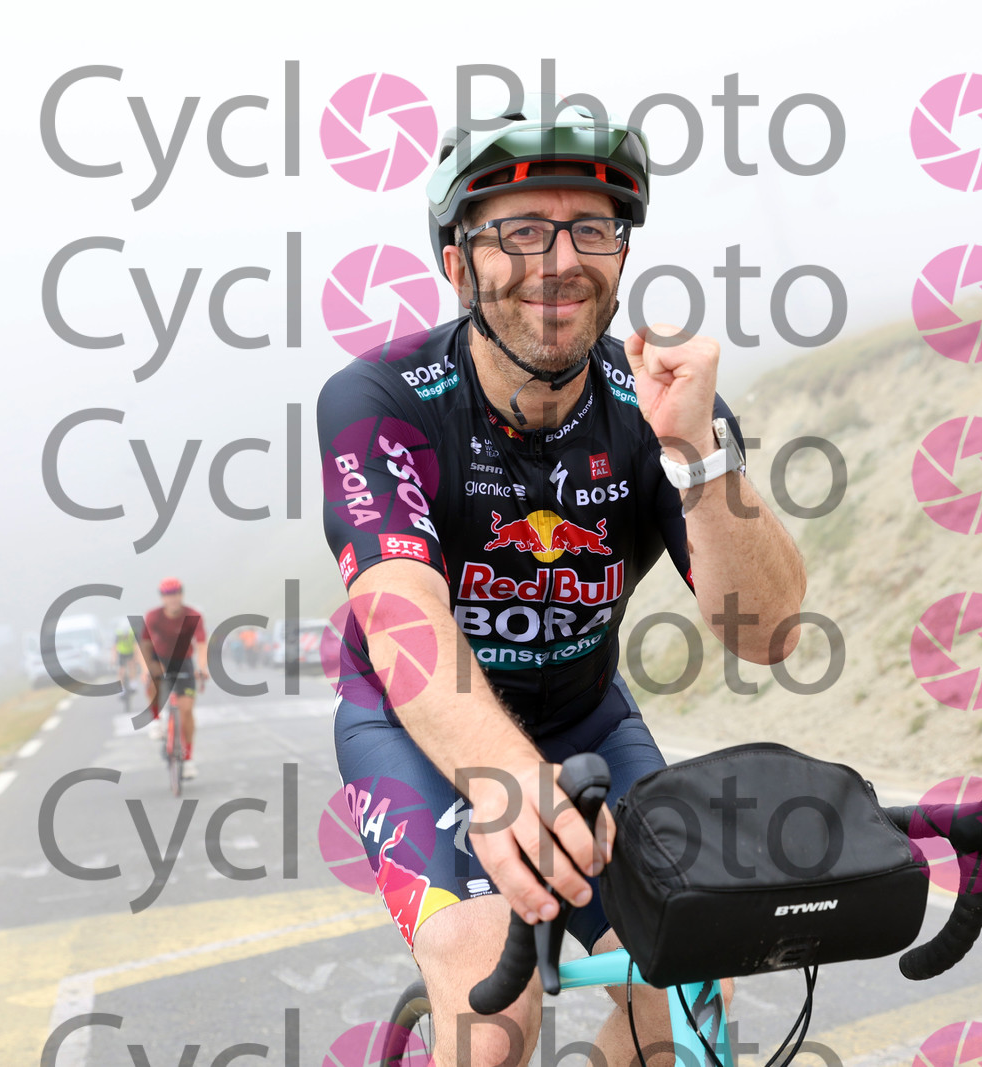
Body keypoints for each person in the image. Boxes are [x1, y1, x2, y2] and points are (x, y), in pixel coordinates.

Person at [316, 95, 806, 1066]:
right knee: (492, 999)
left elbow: (768, 631)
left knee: (684, 983)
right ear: (458, 265)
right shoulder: (381, 400)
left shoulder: (659, 406)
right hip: (416, 729)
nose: (560, 259)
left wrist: (697, 455)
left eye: (591, 227)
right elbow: (400, 616)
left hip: (586, 724)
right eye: (520, 231)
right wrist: (506, 780)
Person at [136, 577, 209, 780]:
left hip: (183, 661)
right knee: (153, 677)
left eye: (176, 593)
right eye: (168, 595)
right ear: (162, 598)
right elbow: (143, 645)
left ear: (182, 595)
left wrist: (202, 667)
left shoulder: (193, 615)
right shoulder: (154, 616)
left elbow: (201, 644)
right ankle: (156, 720)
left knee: (186, 711)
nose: (172, 598)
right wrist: (145, 669)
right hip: (159, 658)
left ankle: (188, 759)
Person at [114, 622, 139, 693]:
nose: (125, 636)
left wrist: (136, 657)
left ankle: (133, 682)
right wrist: (114, 658)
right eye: (124, 635)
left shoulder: (132, 633)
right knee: (121, 671)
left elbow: (136, 646)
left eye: (126, 634)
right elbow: (114, 647)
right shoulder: (118, 634)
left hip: (130, 652)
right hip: (122, 653)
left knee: (132, 667)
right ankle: (121, 687)